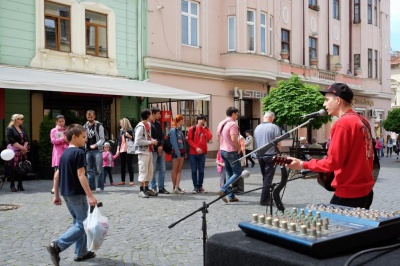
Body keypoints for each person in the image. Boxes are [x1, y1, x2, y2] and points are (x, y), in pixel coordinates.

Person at [286, 83, 374, 209]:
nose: (324, 104)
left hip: (349, 194)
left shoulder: (343, 123)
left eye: (327, 100)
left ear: (338, 100)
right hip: (366, 190)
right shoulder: (362, 121)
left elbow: (333, 162)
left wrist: (302, 164)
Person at [47, 124, 98, 265]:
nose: (85, 139)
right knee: (83, 224)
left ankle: (80, 253)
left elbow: (57, 176)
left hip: (66, 193)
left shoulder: (64, 155)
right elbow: (81, 175)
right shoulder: (79, 153)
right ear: (74, 137)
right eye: (83, 137)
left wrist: (56, 195)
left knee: (78, 222)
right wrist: (90, 195)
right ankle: (57, 245)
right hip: (77, 193)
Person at [253, 111, 281, 206]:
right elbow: (278, 142)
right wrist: (278, 153)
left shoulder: (257, 127)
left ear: (264, 117)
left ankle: (267, 197)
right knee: (268, 178)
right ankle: (264, 200)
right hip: (270, 155)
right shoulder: (274, 127)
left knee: (265, 177)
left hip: (260, 155)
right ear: (272, 118)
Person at [217, 107, 241, 203]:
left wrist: (223, 145)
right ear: (233, 114)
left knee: (229, 173)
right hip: (231, 152)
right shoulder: (232, 124)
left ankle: (231, 196)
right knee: (237, 172)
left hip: (222, 150)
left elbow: (217, 137)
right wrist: (239, 148)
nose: (237, 116)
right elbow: (234, 138)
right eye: (237, 114)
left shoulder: (221, 123)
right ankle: (223, 189)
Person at [134, 109, 158, 198]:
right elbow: (138, 141)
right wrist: (150, 143)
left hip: (149, 151)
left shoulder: (148, 125)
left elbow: (147, 138)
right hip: (142, 152)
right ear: (148, 115)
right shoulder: (140, 126)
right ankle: (141, 190)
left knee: (149, 171)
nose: (152, 115)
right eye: (151, 114)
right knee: (143, 170)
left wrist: (152, 141)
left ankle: (147, 189)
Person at [187, 114, 212, 194]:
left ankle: (200, 186)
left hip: (202, 153)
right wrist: (196, 148)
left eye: (203, 119)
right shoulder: (192, 128)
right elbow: (189, 140)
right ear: (197, 120)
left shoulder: (206, 129)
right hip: (193, 153)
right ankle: (195, 187)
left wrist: (206, 129)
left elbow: (210, 137)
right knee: (194, 170)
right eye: (200, 119)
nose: (202, 121)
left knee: (201, 171)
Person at [6, 114, 29, 192]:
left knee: (21, 167)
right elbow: (13, 141)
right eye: (21, 119)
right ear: (15, 120)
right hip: (13, 149)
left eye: (22, 119)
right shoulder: (10, 129)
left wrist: (24, 148)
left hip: (22, 150)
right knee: (13, 168)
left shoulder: (22, 128)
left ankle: (20, 184)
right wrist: (22, 148)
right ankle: (12, 185)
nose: (22, 120)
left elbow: (26, 139)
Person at [83, 110, 105, 192]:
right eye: (88, 117)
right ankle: (91, 187)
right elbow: (83, 137)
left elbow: (102, 139)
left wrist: (95, 145)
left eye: (91, 117)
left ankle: (100, 187)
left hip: (97, 150)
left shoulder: (99, 126)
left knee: (99, 169)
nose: (90, 118)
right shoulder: (84, 126)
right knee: (89, 170)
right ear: (86, 117)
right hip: (88, 150)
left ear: (94, 116)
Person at [149, 107, 169, 194]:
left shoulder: (158, 123)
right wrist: (158, 148)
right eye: (158, 113)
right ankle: (153, 187)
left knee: (163, 168)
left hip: (160, 148)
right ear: (153, 114)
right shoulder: (149, 124)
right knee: (152, 170)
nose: (159, 115)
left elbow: (162, 136)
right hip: (153, 150)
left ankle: (161, 187)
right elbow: (150, 138)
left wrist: (161, 146)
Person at [50, 115, 69, 194]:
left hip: (67, 151)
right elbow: (53, 141)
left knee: (67, 170)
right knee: (57, 170)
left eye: (63, 121)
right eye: (60, 121)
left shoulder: (67, 130)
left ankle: (66, 187)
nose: (61, 123)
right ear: (56, 122)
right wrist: (62, 139)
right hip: (58, 152)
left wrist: (67, 140)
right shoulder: (54, 130)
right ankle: (55, 187)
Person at [170, 114, 186, 194]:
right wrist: (178, 154)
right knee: (175, 170)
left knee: (179, 170)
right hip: (176, 152)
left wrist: (184, 152)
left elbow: (183, 142)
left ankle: (177, 186)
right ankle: (174, 187)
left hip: (182, 151)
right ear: (180, 121)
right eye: (182, 120)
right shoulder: (173, 130)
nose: (183, 121)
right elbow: (174, 143)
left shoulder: (179, 130)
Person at [116, 118, 134, 186]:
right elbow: (119, 141)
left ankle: (131, 180)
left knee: (129, 165)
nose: (120, 124)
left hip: (129, 149)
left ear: (124, 123)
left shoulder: (131, 130)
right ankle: (122, 180)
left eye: (121, 123)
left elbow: (134, 138)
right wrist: (118, 149)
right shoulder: (121, 131)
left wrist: (128, 135)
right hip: (122, 149)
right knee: (122, 166)